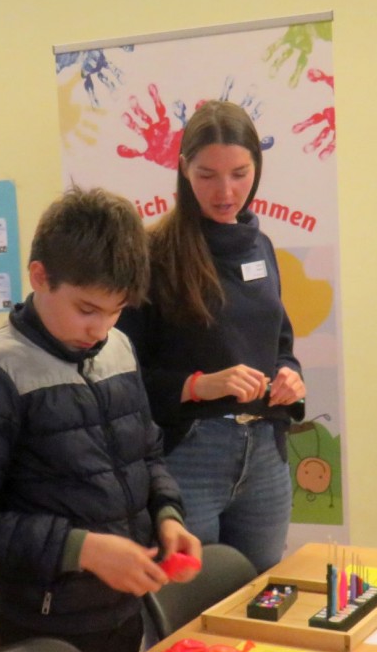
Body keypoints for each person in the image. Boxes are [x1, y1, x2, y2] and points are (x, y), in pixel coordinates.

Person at [0, 186, 212, 652]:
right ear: (39, 276)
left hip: (125, 609)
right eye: (87, 309)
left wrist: (167, 514)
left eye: (117, 310)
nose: (101, 329)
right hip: (44, 624)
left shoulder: (118, 348)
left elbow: (147, 454)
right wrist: (83, 550)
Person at [118, 99, 306, 572]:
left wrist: (290, 375)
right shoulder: (154, 253)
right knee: (188, 600)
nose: (226, 191)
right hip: (188, 455)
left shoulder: (261, 247)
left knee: (261, 593)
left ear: (257, 167)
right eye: (207, 175)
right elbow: (121, 375)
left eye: (240, 174)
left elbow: (280, 344)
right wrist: (198, 386)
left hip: (265, 451)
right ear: (184, 170)